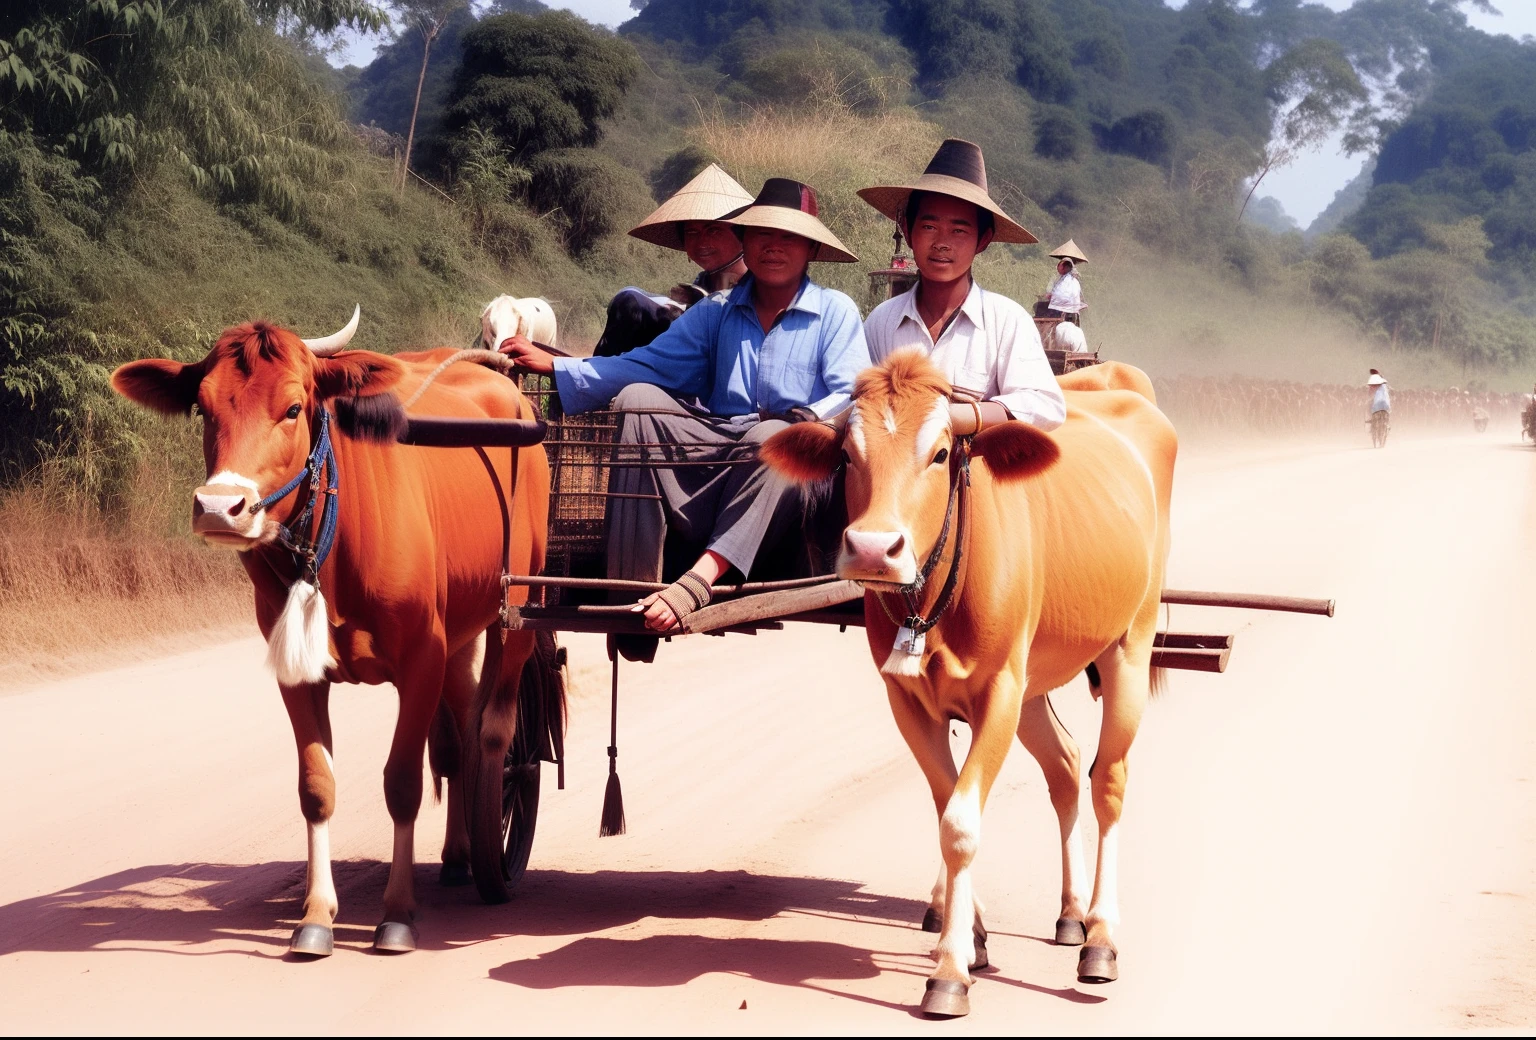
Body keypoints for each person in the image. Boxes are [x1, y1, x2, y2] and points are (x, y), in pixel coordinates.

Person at [501, 178, 869, 642]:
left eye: (789, 237)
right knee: (639, 400)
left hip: (793, 473)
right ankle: (631, 587)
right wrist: (562, 367)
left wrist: (808, 418)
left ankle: (698, 581)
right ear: (746, 242)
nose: (774, 247)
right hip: (718, 451)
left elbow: (852, 392)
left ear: (810, 247)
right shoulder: (715, 311)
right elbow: (648, 363)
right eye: (762, 235)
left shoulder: (835, 311)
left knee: (771, 435)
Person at [858, 138, 1065, 432]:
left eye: (959, 230)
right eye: (929, 227)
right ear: (908, 230)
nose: (942, 243)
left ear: (983, 240)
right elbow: (858, 403)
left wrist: (956, 418)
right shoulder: (882, 321)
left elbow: (1045, 405)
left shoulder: (1006, 320)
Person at [627, 163, 755, 303]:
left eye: (713, 231)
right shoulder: (701, 286)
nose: (702, 242)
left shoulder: (762, 291)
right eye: (691, 232)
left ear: (743, 234)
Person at [1043, 239, 1087, 323]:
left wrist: (1050, 296)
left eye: (1059, 265)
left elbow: (1058, 296)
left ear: (1063, 267)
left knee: (1040, 307)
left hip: (1061, 310)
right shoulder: (1074, 280)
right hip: (1073, 310)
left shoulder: (1065, 281)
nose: (1057, 267)